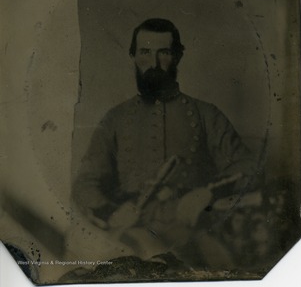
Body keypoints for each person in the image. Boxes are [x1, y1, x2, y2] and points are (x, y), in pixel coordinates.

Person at [72, 18, 256, 269]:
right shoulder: (115, 118)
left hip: (191, 237)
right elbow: (85, 183)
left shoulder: (205, 114)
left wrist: (209, 192)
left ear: (178, 56)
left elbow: (249, 167)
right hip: (130, 237)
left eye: (164, 53)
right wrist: (110, 211)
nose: (154, 64)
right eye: (145, 52)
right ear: (133, 56)